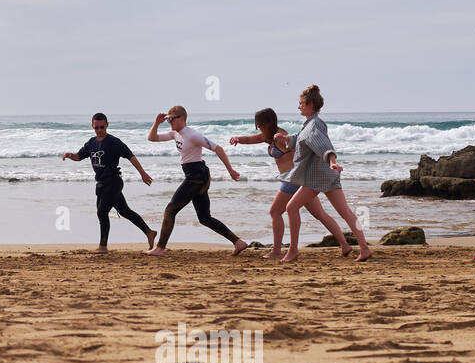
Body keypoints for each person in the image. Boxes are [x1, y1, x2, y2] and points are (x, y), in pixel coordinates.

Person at [229, 108, 351, 260]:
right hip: (299, 180)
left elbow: (299, 149)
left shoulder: (280, 136)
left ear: (267, 123)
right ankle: (345, 245)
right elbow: (249, 139)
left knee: (275, 211)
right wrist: (237, 139)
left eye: (259, 125)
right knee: (319, 214)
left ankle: (277, 251)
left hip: (292, 178)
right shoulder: (267, 136)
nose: (258, 127)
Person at [281, 85, 373, 263]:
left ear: (311, 104)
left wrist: (332, 162)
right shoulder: (309, 124)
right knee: (346, 212)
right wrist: (285, 139)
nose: (298, 106)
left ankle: (293, 251)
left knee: (291, 208)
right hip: (326, 176)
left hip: (318, 176)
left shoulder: (315, 125)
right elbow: (300, 139)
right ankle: (364, 248)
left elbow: (325, 147)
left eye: (301, 103)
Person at [146, 106, 248, 256]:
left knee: (170, 210)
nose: (169, 122)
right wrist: (157, 123)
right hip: (195, 176)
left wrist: (230, 170)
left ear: (182, 118)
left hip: (197, 176)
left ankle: (160, 248)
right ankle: (239, 243)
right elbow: (152, 138)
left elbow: (218, 148)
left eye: (171, 119)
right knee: (205, 218)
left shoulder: (192, 135)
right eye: (168, 120)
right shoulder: (175, 133)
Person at [61, 112, 155, 252]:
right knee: (124, 211)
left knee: (101, 212)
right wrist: (70, 155)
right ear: (92, 126)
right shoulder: (91, 143)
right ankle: (149, 232)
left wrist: (143, 173)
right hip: (102, 183)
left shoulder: (114, 142)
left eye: (102, 127)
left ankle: (103, 246)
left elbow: (131, 157)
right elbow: (79, 156)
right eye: (96, 127)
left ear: (107, 125)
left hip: (114, 182)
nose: (99, 130)